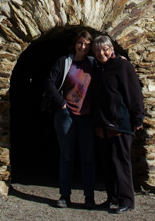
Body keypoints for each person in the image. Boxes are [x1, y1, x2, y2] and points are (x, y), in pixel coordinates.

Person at [91, 35, 144, 214]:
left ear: (111, 49)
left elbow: (133, 93)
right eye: (97, 50)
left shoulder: (122, 66)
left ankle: (127, 200)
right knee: (107, 163)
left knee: (121, 162)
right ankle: (112, 197)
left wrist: (137, 118)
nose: (101, 53)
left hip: (120, 123)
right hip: (103, 124)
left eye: (104, 49)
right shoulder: (97, 68)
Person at [44, 30, 96, 209]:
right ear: (75, 44)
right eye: (81, 43)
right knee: (66, 156)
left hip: (87, 116)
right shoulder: (65, 62)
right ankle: (65, 196)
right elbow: (50, 83)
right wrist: (61, 104)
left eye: (87, 44)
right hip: (66, 115)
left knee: (88, 157)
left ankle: (89, 197)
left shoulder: (92, 64)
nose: (83, 47)